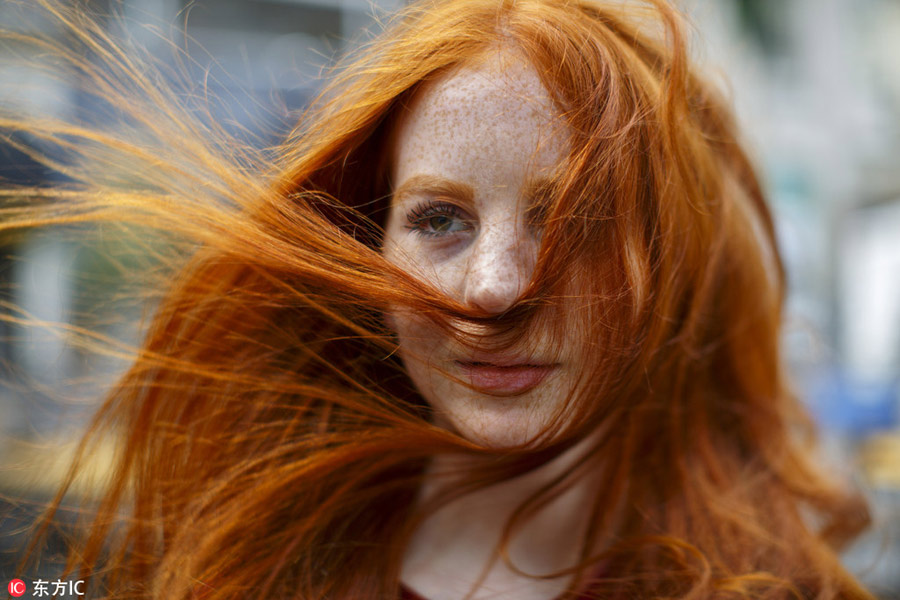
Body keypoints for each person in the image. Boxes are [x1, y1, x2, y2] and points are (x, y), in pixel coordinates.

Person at [6, 0, 873, 598]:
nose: (494, 288)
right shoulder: (240, 557)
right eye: (440, 220)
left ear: (669, 261)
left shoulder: (771, 583)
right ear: (369, 247)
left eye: (575, 220)